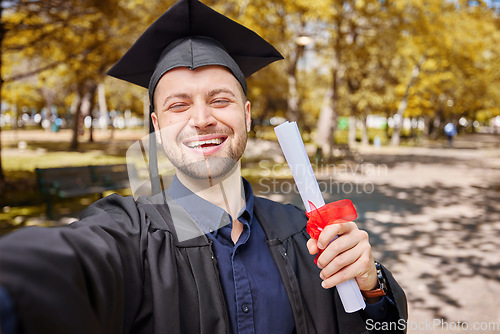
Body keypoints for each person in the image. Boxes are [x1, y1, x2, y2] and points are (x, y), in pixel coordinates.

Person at [0, 0, 407, 333]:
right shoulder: (128, 235)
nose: (201, 119)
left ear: (246, 116)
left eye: (220, 100)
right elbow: (64, 266)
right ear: (158, 129)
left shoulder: (304, 236)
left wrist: (372, 289)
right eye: (178, 105)